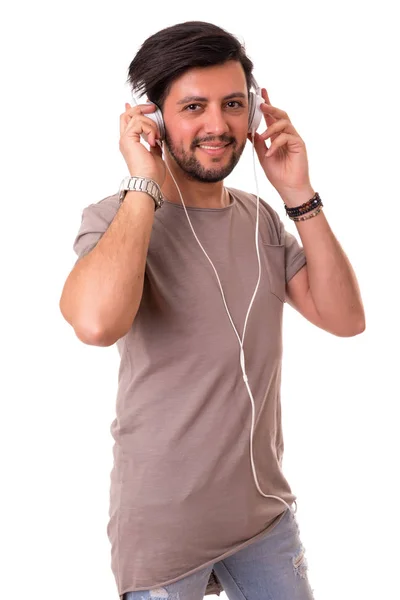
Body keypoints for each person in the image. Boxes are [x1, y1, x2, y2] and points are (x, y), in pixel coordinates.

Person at [59, 21, 365, 600]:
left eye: (231, 105)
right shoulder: (115, 217)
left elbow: (345, 318)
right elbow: (96, 325)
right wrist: (142, 184)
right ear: (153, 118)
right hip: (165, 534)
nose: (216, 126)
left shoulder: (261, 220)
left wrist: (298, 194)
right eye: (193, 106)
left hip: (264, 519)